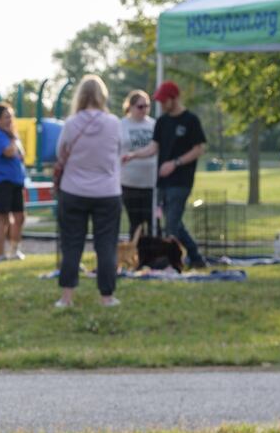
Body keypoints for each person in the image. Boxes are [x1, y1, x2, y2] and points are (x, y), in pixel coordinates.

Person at [54, 75, 122, 309]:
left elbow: (59, 153)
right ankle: (107, 297)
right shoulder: (114, 122)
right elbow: (118, 151)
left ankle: (66, 297)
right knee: (106, 245)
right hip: (107, 191)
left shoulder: (71, 123)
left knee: (71, 244)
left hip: (73, 190)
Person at [123, 81, 209, 269]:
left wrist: (175, 163)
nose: (161, 105)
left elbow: (199, 148)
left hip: (181, 181)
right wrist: (133, 155)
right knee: (172, 223)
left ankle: (180, 260)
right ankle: (190, 256)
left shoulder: (190, 120)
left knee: (172, 223)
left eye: (164, 101)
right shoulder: (162, 122)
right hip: (162, 181)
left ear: (174, 98)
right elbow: (154, 147)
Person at [0, 103, 28, 260]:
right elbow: (9, 152)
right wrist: (13, 139)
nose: (10, 119)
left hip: (16, 180)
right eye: (6, 117)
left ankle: (15, 250)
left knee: (20, 217)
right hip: (1, 181)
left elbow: (21, 155)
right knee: (3, 218)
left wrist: (14, 138)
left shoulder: (11, 135)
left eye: (11, 116)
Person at [118, 90, 157, 235]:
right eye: (140, 106)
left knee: (152, 222)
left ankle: (153, 254)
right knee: (136, 223)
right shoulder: (121, 125)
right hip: (129, 182)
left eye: (147, 106)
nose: (144, 110)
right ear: (131, 107)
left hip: (150, 182)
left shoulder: (153, 124)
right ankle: (135, 254)